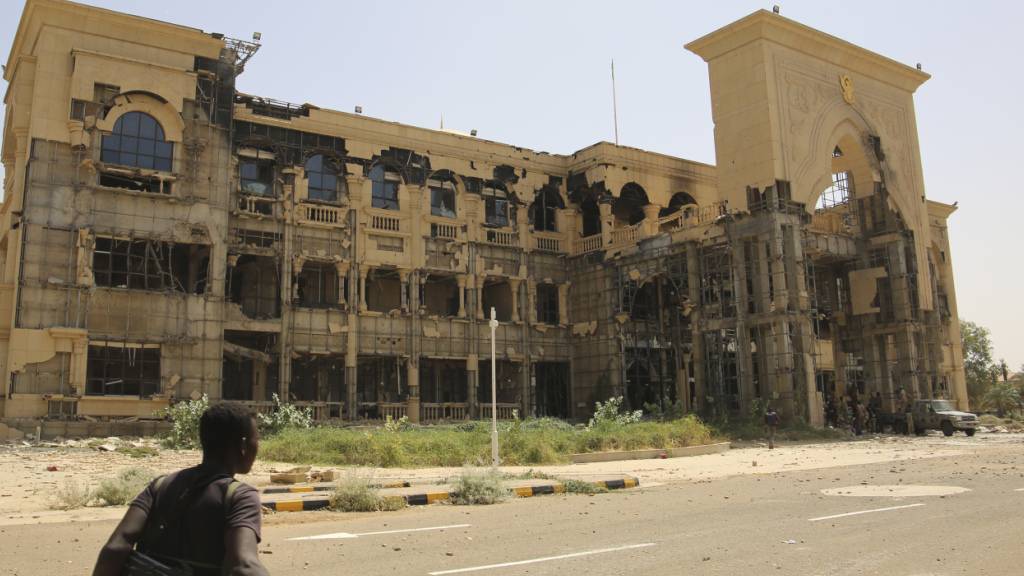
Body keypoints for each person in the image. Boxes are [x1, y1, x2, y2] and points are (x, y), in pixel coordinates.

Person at [92, 403, 269, 576]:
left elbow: (115, 548)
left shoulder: (160, 485)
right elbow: (244, 565)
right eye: (257, 439)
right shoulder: (240, 497)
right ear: (244, 446)